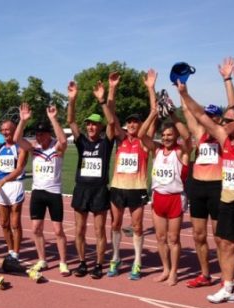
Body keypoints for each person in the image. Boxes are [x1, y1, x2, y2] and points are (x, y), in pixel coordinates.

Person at [177, 57, 234, 308]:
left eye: (227, 120)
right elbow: (200, 115)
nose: (222, 124)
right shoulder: (224, 140)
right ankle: (228, 286)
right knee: (225, 244)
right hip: (226, 199)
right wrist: (184, 92)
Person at [181, 57, 234, 288]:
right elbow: (188, 110)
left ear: (219, 119)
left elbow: (233, 108)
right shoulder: (199, 134)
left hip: (218, 187)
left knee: (221, 238)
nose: (209, 120)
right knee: (198, 235)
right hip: (197, 187)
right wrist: (182, 86)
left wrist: (227, 79)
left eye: (214, 117)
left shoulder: (225, 135)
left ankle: (227, 280)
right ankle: (205, 274)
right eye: (207, 116)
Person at [107, 69, 158, 280]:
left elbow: (154, 111)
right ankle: (116, 257)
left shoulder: (144, 143)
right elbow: (111, 117)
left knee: (137, 226)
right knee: (115, 224)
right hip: (118, 188)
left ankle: (137, 261)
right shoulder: (120, 140)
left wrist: (150, 88)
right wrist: (112, 89)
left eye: (136, 122)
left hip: (136, 189)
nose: (132, 124)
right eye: (130, 122)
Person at [67, 80, 116, 279]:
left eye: (94, 123)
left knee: (99, 231)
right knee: (79, 230)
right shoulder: (82, 143)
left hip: (99, 191)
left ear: (100, 126)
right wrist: (72, 100)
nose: (90, 126)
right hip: (82, 189)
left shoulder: (106, 143)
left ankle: (98, 264)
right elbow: (71, 122)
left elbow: (112, 123)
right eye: (88, 123)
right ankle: (82, 262)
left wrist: (102, 101)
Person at [14, 103, 70, 276]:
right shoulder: (34, 148)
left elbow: (63, 141)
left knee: (58, 230)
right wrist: (22, 121)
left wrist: (53, 119)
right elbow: (17, 140)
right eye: (37, 134)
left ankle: (63, 262)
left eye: (42, 134)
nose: (38, 137)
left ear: (48, 134)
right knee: (36, 229)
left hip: (53, 193)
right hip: (37, 193)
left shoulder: (56, 148)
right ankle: (42, 260)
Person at [138, 106, 191, 286]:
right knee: (160, 238)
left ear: (175, 136)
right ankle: (166, 269)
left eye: (170, 135)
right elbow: (141, 134)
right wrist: (153, 113)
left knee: (173, 239)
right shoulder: (157, 150)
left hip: (175, 199)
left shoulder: (181, 152)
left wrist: (172, 115)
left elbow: (188, 137)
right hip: (158, 198)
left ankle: (174, 272)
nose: (166, 138)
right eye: (164, 135)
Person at [0, 119, 27, 261]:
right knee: (4, 223)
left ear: (15, 130)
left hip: (15, 185)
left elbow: (19, 169)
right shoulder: (0, 148)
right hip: (1, 188)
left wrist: (3, 180)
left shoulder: (20, 148)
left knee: (15, 223)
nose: (4, 132)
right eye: (3, 130)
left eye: (7, 129)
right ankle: (10, 249)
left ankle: (16, 253)